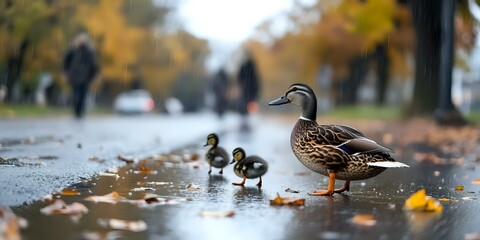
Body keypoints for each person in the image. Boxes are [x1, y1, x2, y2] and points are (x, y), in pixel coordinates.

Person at [63, 32, 99, 119]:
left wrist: (66, 72)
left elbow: (66, 62)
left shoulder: (75, 50)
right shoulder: (84, 51)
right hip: (82, 76)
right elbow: (94, 65)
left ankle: (78, 110)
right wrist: (93, 75)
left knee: (78, 93)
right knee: (80, 94)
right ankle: (79, 110)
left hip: (78, 75)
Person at [237, 51, 260, 131]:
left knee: (245, 104)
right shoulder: (251, 66)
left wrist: (242, 85)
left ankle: (245, 121)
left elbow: (239, 77)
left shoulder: (243, 65)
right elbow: (256, 78)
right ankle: (246, 121)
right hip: (250, 89)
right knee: (248, 104)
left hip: (246, 89)